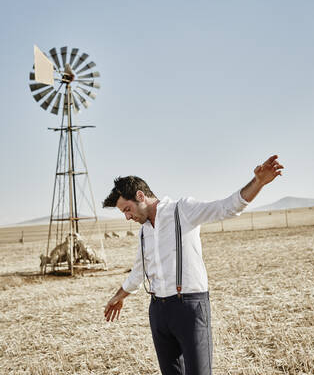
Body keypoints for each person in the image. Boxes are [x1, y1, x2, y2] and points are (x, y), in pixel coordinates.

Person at [103, 155, 284, 375]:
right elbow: (138, 272)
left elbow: (226, 208)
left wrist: (258, 182)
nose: (127, 217)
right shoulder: (144, 232)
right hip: (158, 311)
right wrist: (118, 296)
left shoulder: (182, 210)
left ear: (140, 196)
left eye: (127, 209)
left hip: (189, 306)